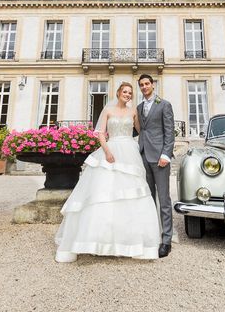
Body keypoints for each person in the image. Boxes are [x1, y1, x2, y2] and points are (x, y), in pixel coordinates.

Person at [55, 82, 160, 263]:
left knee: (131, 195)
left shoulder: (133, 111)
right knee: (101, 194)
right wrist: (108, 152)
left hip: (129, 151)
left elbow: (141, 131)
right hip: (110, 150)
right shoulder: (108, 110)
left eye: (130, 93)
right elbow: (100, 133)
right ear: (118, 93)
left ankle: (130, 242)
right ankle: (95, 241)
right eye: (124, 92)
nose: (127, 94)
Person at [137, 73, 175, 258]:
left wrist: (166, 154)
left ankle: (166, 240)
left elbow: (169, 132)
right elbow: (140, 130)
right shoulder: (138, 107)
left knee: (164, 199)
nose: (144, 87)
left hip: (160, 158)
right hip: (143, 155)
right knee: (148, 198)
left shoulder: (164, 104)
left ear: (152, 85)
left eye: (147, 84)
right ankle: (152, 235)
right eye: (141, 85)